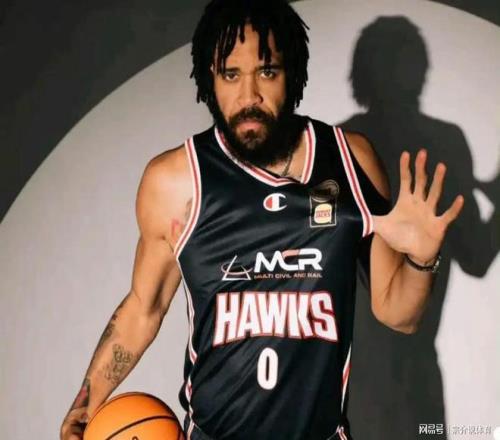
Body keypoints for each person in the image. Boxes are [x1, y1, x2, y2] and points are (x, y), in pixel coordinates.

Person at [60, 1, 464, 439]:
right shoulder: (176, 182)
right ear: (209, 78)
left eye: (267, 71)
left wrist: (423, 258)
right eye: (231, 74)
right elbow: (144, 307)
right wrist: (86, 403)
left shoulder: (350, 162)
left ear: (293, 74)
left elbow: (399, 313)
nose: (248, 96)